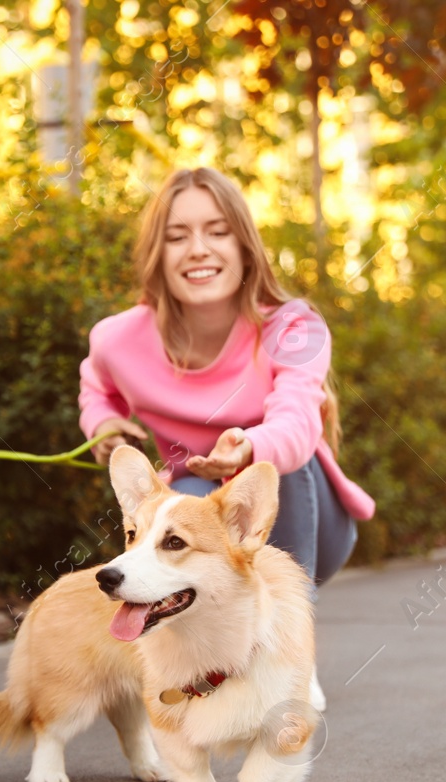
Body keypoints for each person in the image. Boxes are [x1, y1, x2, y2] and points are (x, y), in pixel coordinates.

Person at [78, 166, 376, 711]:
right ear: (157, 255)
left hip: (308, 517)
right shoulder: (117, 339)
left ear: (244, 247)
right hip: (194, 500)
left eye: (216, 231)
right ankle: (199, 674)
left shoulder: (292, 326)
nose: (198, 249)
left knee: (292, 461)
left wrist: (251, 449)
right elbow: (96, 390)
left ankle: (293, 652)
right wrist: (101, 426)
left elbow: (297, 421)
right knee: (182, 509)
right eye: (177, 235)